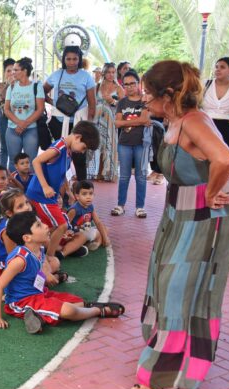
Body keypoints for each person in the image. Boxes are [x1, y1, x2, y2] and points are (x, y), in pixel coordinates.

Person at [131, 60, 229, 389]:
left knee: (179, 289)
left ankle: (165, 374)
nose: (144, 102)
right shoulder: (174, 119)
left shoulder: (194, 121)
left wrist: (210, 193)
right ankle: (169, 354)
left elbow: (224, 159)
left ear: (168, 96)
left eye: (148, 95)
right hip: (179, 212)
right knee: (164, 284)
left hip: (207, 215)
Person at [0, 211, 123, 334]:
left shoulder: (39, 248)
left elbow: (39, 267)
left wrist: (47, 275)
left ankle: (41, 317)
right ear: (27, 237)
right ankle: (97, 311)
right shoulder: (19, 260)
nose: (45, 226)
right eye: (39, 225)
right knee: (69, 310)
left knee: (77, 302)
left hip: (39, 293)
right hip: (22, 301)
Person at [26, 121, 99, 258]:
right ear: (77, 137)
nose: (82, 152)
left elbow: (62, 174)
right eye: (84, 148)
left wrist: (69, 192)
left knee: (51, 227)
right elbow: (36, 161)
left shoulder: (69, 150)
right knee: (62, 225)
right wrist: (45, 186)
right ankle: (50, 258)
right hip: (40, 195)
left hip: (48, 196)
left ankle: (44, 253)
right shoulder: (60, 147)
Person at [43, 46, 96, 182]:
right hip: (58, 121)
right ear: (64, 59)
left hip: (79, 122)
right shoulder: (56, 74)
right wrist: (51, 102)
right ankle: (60, 188)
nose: (71, 62)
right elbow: (42, 91)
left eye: (75, 59)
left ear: (79, 60)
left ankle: (82, 189)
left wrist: (88, 125)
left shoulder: (86, 77)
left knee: (79, 157)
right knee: (58, 155)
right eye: (68, 59)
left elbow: (92, 103)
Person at [111, 70, 149, 219]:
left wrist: (126, 123)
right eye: (125, 85)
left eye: (132, 83)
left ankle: (140, 207)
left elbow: (145, 120)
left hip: (141, 144)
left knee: (141, 176)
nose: (129, 87)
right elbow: (117, 123)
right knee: (124, 176)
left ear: (138, 83)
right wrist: (137, 121)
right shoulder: (122, 102)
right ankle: (120, 205)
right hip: (124, 143)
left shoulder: (145, 101)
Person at [0, 188, 37, 284]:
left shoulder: (24, 220)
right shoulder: (7, 230)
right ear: (10, 213)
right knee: (37, 271)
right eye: (20, 206)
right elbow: (13, 258)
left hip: (18, 260)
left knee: (53, 262)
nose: (27, 207)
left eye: (27, 202)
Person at [4, 57, 45, 171]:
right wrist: (19, 123)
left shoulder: (37, 86)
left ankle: (30, 187)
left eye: (16, 70)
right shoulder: (11, 87)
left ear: (25, 71)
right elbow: (6, 109)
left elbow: (40, 109)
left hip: (31, 129)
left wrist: (24, 124)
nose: (13, 72)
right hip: (12, 129)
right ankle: (13, 187)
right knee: (13, 160)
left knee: (31, 161)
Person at [88, 62, 121, 182]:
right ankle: (92, 171)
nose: (111, 75)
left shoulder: (118, 88)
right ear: (104, 73)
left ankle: (104, 172)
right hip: (96, 119)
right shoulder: (97, 86)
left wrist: (113, 101)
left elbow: (124, 106)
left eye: (113, 72)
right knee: (95, 144)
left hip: (110, 120)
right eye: (109, 72)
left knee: (107, 146)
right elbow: (91, 103)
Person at [67, 180, 109, 251]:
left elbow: (98, 222)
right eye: (84, 194)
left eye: (91, 193)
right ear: (77, 196)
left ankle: (95, 243)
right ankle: (97, 242)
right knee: (98, 233)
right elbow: (66, 225)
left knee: (105, 229)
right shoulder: (74, 209)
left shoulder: (90, 206)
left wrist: (105, 237)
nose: (88, 197)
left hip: (86, 229)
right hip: (77, 234)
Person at [0, 58, 16, 168]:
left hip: (17, 118)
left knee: (15, 147)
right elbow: (2, 96)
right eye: (8, 71)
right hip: (3, 117)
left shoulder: (22, 86)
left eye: (14, 70)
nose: (11, 73)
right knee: (4, 147)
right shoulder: (0, 85)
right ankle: (1, 171)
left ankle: (13, 174)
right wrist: (9, 84)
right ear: (4, 73)